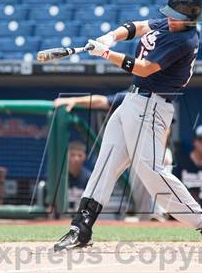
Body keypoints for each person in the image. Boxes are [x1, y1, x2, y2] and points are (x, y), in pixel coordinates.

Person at [54, 0, 202, 253]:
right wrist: (110, 37)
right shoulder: (170, 24)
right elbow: (139, 26)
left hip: (154, 105)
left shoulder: (186, 40)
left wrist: (105, 54)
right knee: (106, 163)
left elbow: (144, 68)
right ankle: (81, 228)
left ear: (191, 18)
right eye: (169, 14)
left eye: (176, 16)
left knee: (151, 172)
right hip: (132, 101)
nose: (169, 19)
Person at [55, 91, 172, 221]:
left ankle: (158, 214)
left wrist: (159, 149)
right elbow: (101, 100)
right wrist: (75, 100)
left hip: (153, 146)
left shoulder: (155, 99)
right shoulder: (130, 97)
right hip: (132, 151)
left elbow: (166, 127)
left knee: (164, 159)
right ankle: (147, 219)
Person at [67, 141, 92, 211]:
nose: (76, 159)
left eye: (79, 155)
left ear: (84, 156)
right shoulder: (59, 176)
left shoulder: (89, 177)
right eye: (72, 155)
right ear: (67, 156)